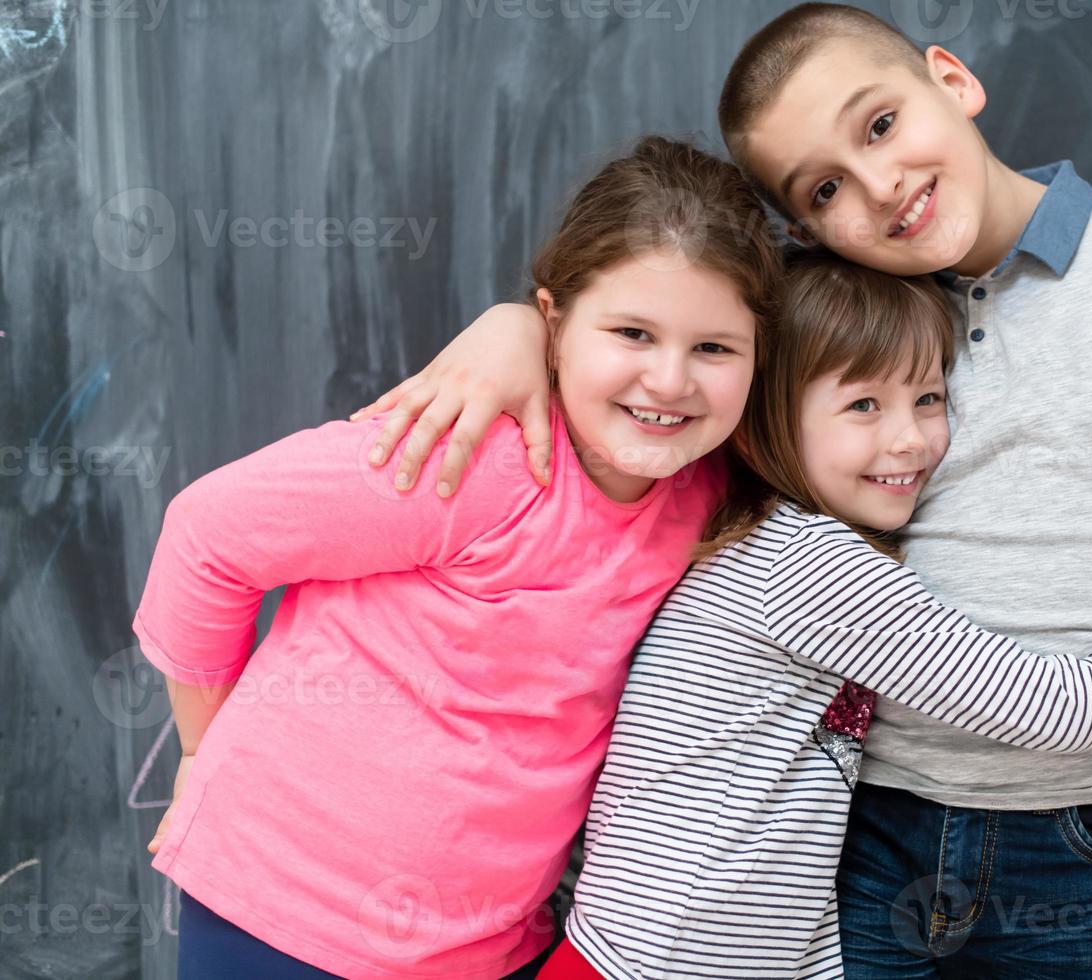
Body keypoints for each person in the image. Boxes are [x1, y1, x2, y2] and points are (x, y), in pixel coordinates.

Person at [134, 135, 780, 979]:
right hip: (277, 907)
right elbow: (207, 534)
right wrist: (196, 752)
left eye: (714, 349)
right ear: (555, 323)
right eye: (631, 332)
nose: (668, 380)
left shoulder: (709, 495)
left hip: (483, 942)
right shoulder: (469, 454)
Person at [533, 248, 1092, 979]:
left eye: (928, 398)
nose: (909, 439)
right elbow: (1050, 709)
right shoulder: (807, 565)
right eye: (863, 404)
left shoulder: (758, 534)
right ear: (765, 418)